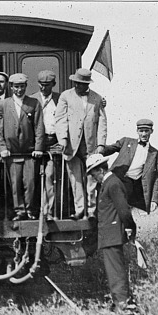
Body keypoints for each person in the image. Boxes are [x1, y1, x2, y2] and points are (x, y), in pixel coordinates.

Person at [86, 154, 137, 314]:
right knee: (114, 270)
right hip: (109, 236)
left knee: (116, 271)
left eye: (94, 174)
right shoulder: (108, 183)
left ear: (100, 170)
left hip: (112, 235)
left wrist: (130, 228)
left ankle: (123, 305)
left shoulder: (112, 183)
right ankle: (119, 303)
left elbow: (124, 211)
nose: (94, 178)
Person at [55, 68, 107, 220]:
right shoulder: (66, 96)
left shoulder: (97, 98)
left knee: (92, 178)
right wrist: (63, 139)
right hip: (71, 145)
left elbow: (102, 122)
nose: (78, 86)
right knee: (75, 178)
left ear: (87, 84)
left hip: (90, 145)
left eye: (82, 84)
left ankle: (91, 211)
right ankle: (80, 209)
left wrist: (101, 144)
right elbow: (60, 119)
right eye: (76, 83)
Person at [0, 73, 45, 221]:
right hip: (12, 153)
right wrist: (2, 148)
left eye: (22, 87)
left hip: (29, 153)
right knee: (15, 184)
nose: (19, 90)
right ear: (11, 87)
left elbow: (39, 127)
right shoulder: (3, 104)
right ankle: (19, 211)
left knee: (29, 183)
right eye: (16, 87)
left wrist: (38, 148)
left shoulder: (34, 103)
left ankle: (29, 210)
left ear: (26, 87)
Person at [103, 119, 158, 214]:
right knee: (110, 210)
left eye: (146, 131)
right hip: (117, 181)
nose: (143, 134)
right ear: (137, 131)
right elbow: (109, 149)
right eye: (141, 131)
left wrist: (155, 200)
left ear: (151, 131)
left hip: (134, 189)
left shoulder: (156, 154)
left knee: (127, 214)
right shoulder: (126, 142)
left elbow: (157, 179)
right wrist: (99, 147)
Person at [31, 70, 61, 221]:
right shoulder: (32, 99)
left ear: (53, 85)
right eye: (41, 85)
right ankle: (33, 211)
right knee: (33, 179)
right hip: (36, 144)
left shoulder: (60, 98)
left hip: (53, 143)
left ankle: (47, 211)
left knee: (49, 176)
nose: (43, 88)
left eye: (47, 85)